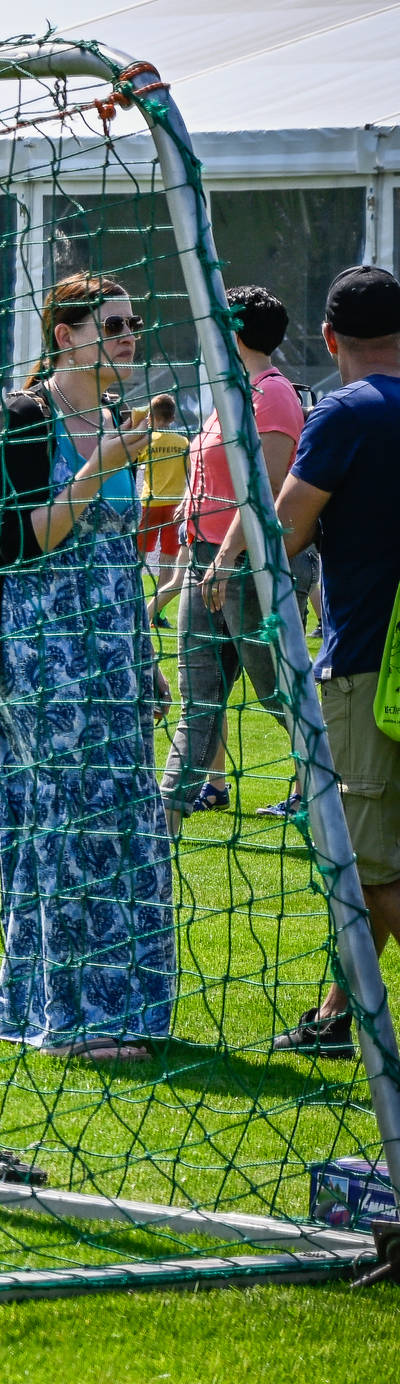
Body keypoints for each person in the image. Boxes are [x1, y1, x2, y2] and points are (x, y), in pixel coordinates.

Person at [0, 273, 173, 1060]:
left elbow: (121, 552)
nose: (128, 336)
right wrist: (96, 469)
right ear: (66, 334)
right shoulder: (28, 417)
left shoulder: (119, 420)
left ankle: (127, 1009)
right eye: (112, 324)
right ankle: (69, 1019)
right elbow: (24, 543)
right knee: (63, 828)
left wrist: (146, 660)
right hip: (43, 654)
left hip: (115, 656)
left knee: (128, 827)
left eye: (133, 323)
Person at [266, 265, 400, 1059]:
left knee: (368, 863)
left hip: (368, 660)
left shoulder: (343, 413)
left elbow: (283, 532)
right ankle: (333, 1016)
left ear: (328, 338)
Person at [163, 288, 307, 820]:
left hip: (248, 569)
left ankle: (325, 788)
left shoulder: (271, 395)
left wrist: (224, 559)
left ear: (234, 332)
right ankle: (167, 813)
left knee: (278, 694)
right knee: (197, 699)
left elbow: (267, 490)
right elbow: (216, 473)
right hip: (206, 562)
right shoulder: (229, 392)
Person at [133, 394, 190, 581]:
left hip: (149, 503)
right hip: (175, 505)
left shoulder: (146, 441)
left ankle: (136, 600)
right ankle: (158, 607)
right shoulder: (183, 443)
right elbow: (192, 472)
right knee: (168, 560)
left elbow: (135, 461)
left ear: (151, 417)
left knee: (139, 556)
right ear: (173, 418)